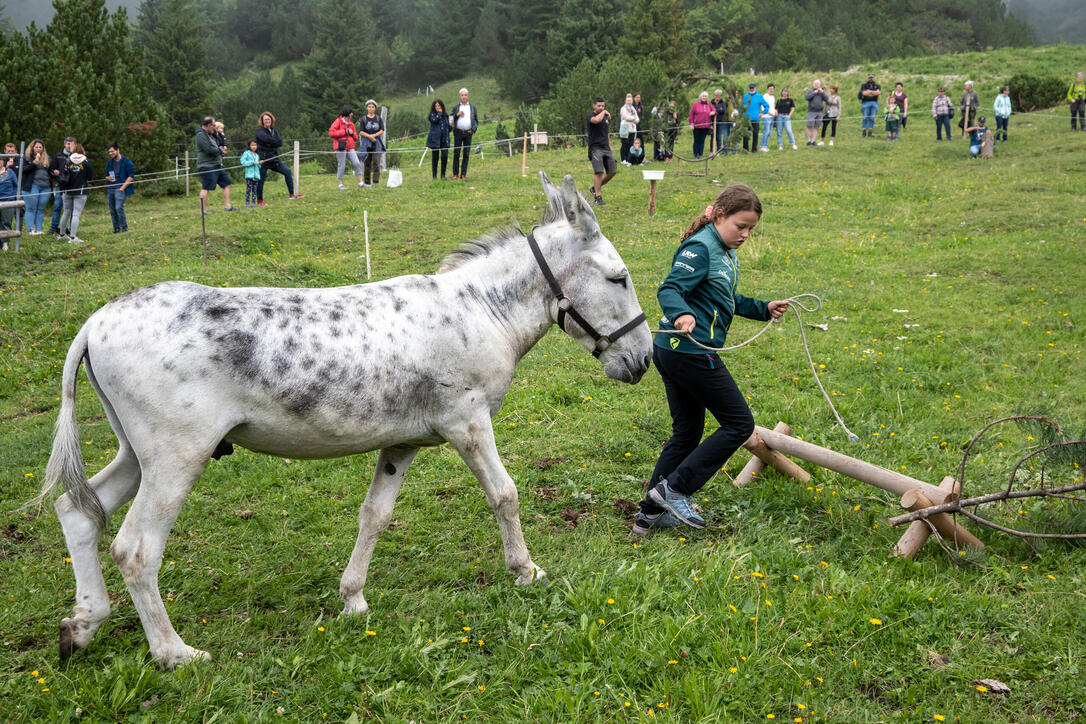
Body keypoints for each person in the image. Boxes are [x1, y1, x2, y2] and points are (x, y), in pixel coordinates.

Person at [631, 184, 791, 536]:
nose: (746, 234)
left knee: (687, 433)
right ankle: (675, 490)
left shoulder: (724, 250)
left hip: (679, 353)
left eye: (751, 228)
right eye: (740, 226)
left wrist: (763, 309)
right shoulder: (701, 247)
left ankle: (648, 514)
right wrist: (681, 314)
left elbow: (725, 298)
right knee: (738, 424)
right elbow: (670, 289)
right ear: (719, 216)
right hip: (688, 351)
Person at [255, 111, 299, 205]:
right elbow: (265, 139)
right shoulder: (260, 130)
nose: (267, 121)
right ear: (262, 121)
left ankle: (292, 194)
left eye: (269, 119)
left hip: (274, 159)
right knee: (261, 180)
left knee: (287, 171)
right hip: (264, 159)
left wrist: (270, 143)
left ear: (272, 120)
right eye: (265, 119)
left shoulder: (274, 130)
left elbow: (279, 142)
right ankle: (260, 201)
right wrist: (272, 142)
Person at [195, 116, 236, 212]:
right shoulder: (200, 135)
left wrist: (220, 150)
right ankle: (203, 211)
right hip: (207, 166)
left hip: (217, 165)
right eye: (213, 126)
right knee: (206, 187)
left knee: (226, 182)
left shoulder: (209, 134)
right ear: (208, 125)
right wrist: (220, 151)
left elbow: (217, 145)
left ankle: (227, 207)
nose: (215, 128)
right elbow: (208, 149)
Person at [58, 143, 93, 243]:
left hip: (67, 190)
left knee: (66, 212)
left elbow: (62, 175)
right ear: (83, 151)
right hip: (81, 191)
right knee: (76, 214)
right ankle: (73, 238)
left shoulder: (67, 161)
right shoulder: (87, 161)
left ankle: (62, 234)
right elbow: (90, 177)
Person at [586, 96, 616, 206]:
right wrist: (604, 113)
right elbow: (596, 120)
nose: (601, 107)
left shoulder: (605, 118)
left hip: (606, 148)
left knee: (612, 171)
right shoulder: (591, 115)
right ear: (594, 105)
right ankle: (598, 196)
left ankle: (594, 188)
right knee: (598, 171)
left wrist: (609, 146)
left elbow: (606, 132)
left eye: (603, 106)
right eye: (599, 106)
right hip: (595, 148)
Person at [20, 140, 52, 235]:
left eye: (40, 147)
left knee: (41, 209)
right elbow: (23, 170)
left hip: (46, 187)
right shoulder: (27, 158)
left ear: (43, 149)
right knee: (31, 208)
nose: (38, 149)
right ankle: (30, 230)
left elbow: (50, 172)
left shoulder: (47, 158)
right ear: (32, 147)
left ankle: (39, 230)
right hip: (32, 186)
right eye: (36, 147)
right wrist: (33, 163)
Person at [329, 106, 364, 189]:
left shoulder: (351, 124)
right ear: (347, 113)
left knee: (356, 163)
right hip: (340, 147)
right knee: (342, 165)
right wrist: (344, 132)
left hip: (350, 147)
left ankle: (360, 182)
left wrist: (352, 133)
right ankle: (340, 184)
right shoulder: (337, 121)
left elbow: (355, 138)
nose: (352, 114)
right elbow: (331, 133)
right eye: (351, 112)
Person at [48, 136, 75, 237]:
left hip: (73, 186)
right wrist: (55, 173)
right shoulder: (58, 156)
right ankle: (53, 227)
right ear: (64, 144)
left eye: (71, 144)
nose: (69, 146)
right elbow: (51, 170)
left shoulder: (77, 156)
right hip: (61, 186)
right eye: (68, 144)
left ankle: (70, 228)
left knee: (71, 209)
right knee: (57, 207)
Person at [104, 143, 135, 233]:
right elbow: (107, 175)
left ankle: (124, 228)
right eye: (109, 152)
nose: (110, 153)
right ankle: (116, 229)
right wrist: (107, 178)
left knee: (118, 208)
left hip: (120, 188)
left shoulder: (126, 161)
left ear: (118, 150)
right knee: (112, 210)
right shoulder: (109, 163)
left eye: (112, 151)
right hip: (110, 188)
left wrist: (122, 188)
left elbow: (131, 176)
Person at [449, 88, 477, 180]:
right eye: (462, 95)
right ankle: (455, 174)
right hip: (458, 132)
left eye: (465, 95)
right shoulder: (456, 107)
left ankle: (463, 174)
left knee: (466, 154)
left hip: (468, 133)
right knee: (456, 153)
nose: (464, 96)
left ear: (468, 96)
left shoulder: (472, 107)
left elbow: (476, 120)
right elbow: (450, 119)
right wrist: (457, 115)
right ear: (459, 96)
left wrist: (473, 129)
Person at [358, 99, 385, 187]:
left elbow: (382, 130)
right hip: (366, 143)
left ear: (375, 108)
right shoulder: (363, 119)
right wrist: (369, 136)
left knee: (376, 163)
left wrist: (374, 135)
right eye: (369, 107)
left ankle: (375, 182)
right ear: (366, 108)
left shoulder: (378, 118)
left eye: (373, 107)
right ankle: (367, 182)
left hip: (376, 143)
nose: (371, 108)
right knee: (367, 163)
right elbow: (361, 132)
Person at [426, 98, 451, 180]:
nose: (437, 107)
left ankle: (443, 176)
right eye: (436, 105)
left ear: (442, 106)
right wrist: (439, 113)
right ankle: (434, 177)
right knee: (435, 158)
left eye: (439, 105)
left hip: (444, 139)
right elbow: (435, 121)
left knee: (444, 156)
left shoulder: (446, 115)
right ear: (434, 107)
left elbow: (449, 128)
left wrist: (451, 125)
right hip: (435, 140)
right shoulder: (432, 115)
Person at [741, 83, 768, 153]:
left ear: (755, 88)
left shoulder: (759, 96)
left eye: (753, 88)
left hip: (755, 119)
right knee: (745, 135)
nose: (751, 89)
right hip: (746, 119)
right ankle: (745, 149)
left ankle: (754, 149)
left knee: (755, 135)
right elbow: (741, 107)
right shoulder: (745, 96)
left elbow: (767, 106)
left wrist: (763, 113)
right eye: (750, 88)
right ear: (749, 88)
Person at [688, 91, 715, 159]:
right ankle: (695, 154)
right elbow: (691, 114)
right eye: (703, 96)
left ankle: (700, 154)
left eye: (705, 96)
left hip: (705, 126)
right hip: (696, 126)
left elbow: (715, 111)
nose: (704, 97)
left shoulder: (709, 104)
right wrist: (691, 124)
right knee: (696, 140)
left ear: (707, 97)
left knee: (702, 140)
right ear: (700, 97)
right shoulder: (695, 104)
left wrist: (713, 112)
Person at [804, 80, 829, 146]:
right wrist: (814, 93)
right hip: (811, 111)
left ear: (819, 85)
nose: (816, 85)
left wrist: (823, 92)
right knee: (809, 126)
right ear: (813, 84)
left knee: (816, 126)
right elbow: (807, 97)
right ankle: (808, 141)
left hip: (820, 112)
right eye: (815, 84)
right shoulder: (810, 91)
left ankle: (813, 141)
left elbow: (827, 99)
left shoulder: (821, 93)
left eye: (818, 84)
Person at [240, 139, 261, 208]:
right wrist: (252, 163)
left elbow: (258, 166)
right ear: (249, 146)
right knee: (248, 189)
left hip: (256, 175)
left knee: (255, 190)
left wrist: (259, 163)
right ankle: (247, 203)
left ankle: (253, 203)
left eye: (255, 145)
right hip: (249, 175)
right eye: (252, 145)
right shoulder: (246, 153)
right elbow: (243, 162)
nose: (254, 147)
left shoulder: (257, 155)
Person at [711, 89, 732, 155]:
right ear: (714, 95)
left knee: (719, 136)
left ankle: (718, 150)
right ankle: (712, 151)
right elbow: (710, 110)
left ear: (720, 96)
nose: (717, 97)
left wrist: (715, 111)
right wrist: (719, 110)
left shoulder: (723, 102)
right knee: (712, 136)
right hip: (712, 122)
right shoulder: (711, 102)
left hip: (720, 122)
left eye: (719, 95)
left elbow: (723, 111)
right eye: (716, 95)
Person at [619, 93, 639, 164]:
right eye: (628, 101)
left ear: (632, 101)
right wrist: (633, 118)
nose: (629, 102)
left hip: (632, 129)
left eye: (630, 101)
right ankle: (623, 159)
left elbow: (637, 119)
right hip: (625, 129)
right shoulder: (623, 108)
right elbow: (625, 117)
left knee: (631, 144)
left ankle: (628, 158)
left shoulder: (633, 109)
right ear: (625, 101)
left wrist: (634, 119)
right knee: (625, 144)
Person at [759, 83, 777, 151]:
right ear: (767, 89)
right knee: (766, 132)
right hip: (766, 116)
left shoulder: (773, 97)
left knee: (769, 132)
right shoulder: (765, 96)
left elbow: (772, 107)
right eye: (770, 89)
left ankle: (765, 145)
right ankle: (762, 146)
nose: (771, 90)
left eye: (772, 89)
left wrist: (775, 111)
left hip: (771, 117)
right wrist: (772, 113)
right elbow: (765, 108)